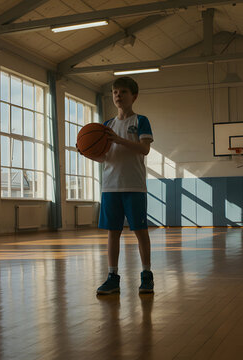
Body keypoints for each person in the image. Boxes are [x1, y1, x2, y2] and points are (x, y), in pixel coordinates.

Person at [84, 76, 154, 295]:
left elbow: (144, 150)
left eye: (123, 92)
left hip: (134, 186)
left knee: (140, 231)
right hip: (110, 187)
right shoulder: (106, 126)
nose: (118, 96)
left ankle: (146, 275)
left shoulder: (140, 121)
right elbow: (106, 157)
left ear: (134, 96)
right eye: (115, 92)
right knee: (112, 233)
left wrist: (118, 139)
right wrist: (89, 153)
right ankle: (112, 277)